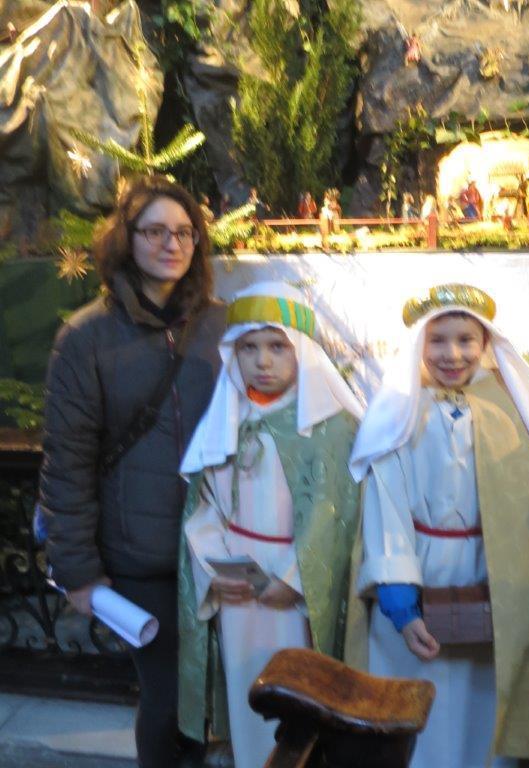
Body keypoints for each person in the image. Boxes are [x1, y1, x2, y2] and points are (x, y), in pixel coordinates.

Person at [39, 175, 226, 767]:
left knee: (217, 700)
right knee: (169, 703)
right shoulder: (85, 338)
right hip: (140, 557)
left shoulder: (225, 327)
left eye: (184, 233)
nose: (172, 244)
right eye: (155, 232)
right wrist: (78, 571)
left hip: (220, 553)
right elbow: (67, 462)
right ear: (126, 239)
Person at [350, 284, 529, 768]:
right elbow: (386, 505)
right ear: (418, 345)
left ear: (485, 343)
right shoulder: (397, 414)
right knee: (420, 719)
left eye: (466, 339)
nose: (452, 354)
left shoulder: (514, 411)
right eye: (438, 340)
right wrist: (401, 605)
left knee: (484, 718)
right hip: (417, 576)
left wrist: (514, 586)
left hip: (492, 580)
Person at [177, 281, 363, 768]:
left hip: (296, 593)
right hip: (237, 587)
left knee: (300, 697)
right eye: (249, 348)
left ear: (302, 350)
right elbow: (204, 506)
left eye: (278, 346)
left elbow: (334, 515)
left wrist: (294, 579)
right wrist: (214, 567)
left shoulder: (331, 425)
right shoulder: (226, 417)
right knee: (248, 693)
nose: (262, 361)